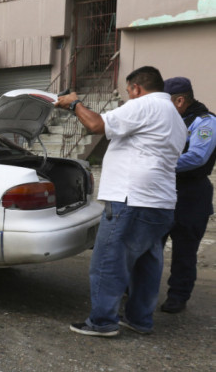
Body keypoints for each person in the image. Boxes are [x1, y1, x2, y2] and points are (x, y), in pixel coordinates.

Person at [55, 66, 187, 336]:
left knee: (109, 261)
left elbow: (95, 125)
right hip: (161, 202)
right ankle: (139, 319)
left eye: (129, 92)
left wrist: (75, 104)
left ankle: (102, 322)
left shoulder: (145, 105)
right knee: (147, 264)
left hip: (131, 198)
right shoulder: (174, 115)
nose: (129, 97)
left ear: (137, 88)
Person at [160, 77, 216, 313]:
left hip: (191, 194)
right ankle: (136, 289)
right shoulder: (172, 120)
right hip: (163, 190)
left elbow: (197, 157)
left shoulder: (205, 123)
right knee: (150, 245)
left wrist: (158, 164)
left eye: (166, 103)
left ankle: (178, 296)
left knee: (184, 251)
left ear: (180, 100)